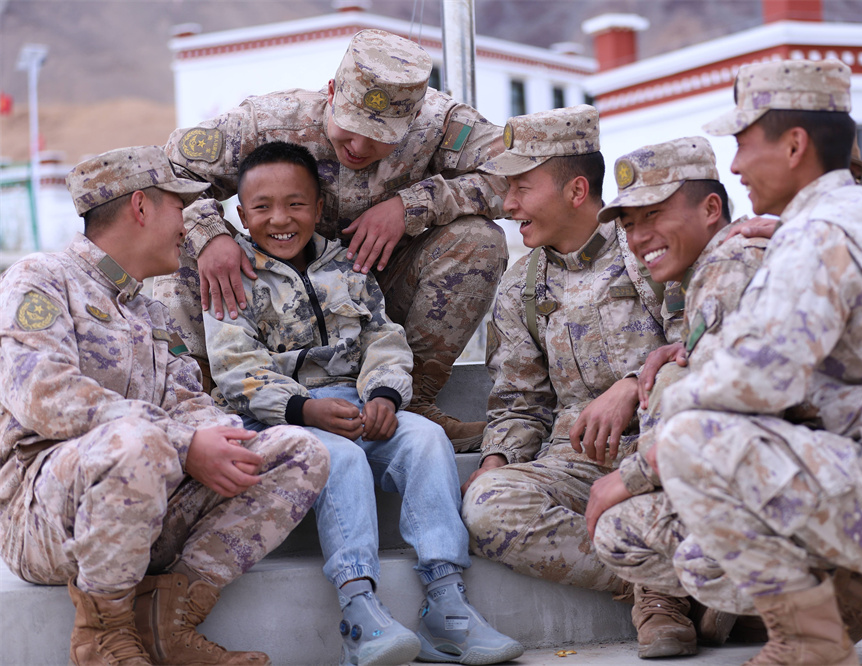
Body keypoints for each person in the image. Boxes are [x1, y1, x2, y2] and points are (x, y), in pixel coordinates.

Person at [649, 59, 862, 665]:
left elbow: (758, 379)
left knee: (688, 440)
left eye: (743, 143)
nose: (735, 166)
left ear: (794, 146)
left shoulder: (821, 233)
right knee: (704, 554)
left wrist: (660, 421)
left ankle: (810, 645)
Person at [0, 146, 331, 666]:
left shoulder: (149, 310)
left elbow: (190, 403)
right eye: (180, 207)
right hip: (48, 520)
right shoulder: (41, 278)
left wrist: (223, 440)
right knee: (137, 440)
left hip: (148, 506)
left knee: (298, 452)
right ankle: (103, 639)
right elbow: (42, 394)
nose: (187, 224)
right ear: (140, 207)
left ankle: (168, 622)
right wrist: (181, 443)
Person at [203, 140, 522, 666]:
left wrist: (384, 396)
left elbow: (383, 338)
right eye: (262, 207)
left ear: (318, 208)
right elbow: (235, 369)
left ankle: (446, 601)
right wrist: (303, 409)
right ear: (241, 213)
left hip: (355, 403)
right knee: (342, 457)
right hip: (280, 420)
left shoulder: (347, 265)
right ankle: (359, 611)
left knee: (427, 438)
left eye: (296, 204)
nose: (280, 219)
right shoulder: (233, 276)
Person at [155, 28, 509, 451]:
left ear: (414, 120)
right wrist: (210, 236)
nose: (358, 146)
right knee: (180, 247)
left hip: (372, 298)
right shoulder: (269, 122)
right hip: (261, 300)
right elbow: (168, 173)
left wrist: (413, 205)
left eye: (380, 137)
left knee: (479, 240)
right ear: (331, 91)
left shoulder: (441, 124)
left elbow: (516, 174)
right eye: (350, 126)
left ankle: (406, 402)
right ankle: (201, 411)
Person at [460, 105, 706, 659]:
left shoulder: (647, 249)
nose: (508, 205)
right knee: (488, 507)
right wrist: (497, 459)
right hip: (576, 462)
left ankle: (667, 598)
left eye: (522, 187)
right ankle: (665, 584)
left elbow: (699, 350)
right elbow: (519, 401)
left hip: (666, 446)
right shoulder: (521, 286)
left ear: (576, 190)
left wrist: (632, 385)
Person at [583, 137, 769, 651]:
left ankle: (801, 602)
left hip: (825, 485)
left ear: (710, 209)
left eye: (654, 215)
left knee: (620, 527)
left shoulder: (730, 268)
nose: (639, 237)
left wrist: (628, 478)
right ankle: (752, 604)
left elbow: (722, 412)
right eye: (629, 224)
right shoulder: (714, 269)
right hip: (799, 472)